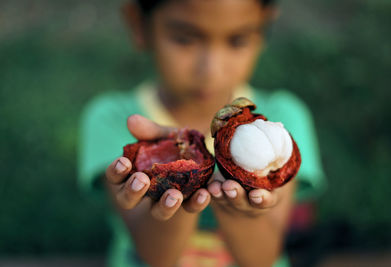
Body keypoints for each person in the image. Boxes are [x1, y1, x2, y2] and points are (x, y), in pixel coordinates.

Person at [78, 0, 326, 266]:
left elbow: (263, 258)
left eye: (237, 40)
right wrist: (181, 189)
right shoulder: (114, 119)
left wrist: (239, 210)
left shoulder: (286, 115)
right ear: (139, 25)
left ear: (264, 26)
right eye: (185, 40)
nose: (210, 70)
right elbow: (155, 257)